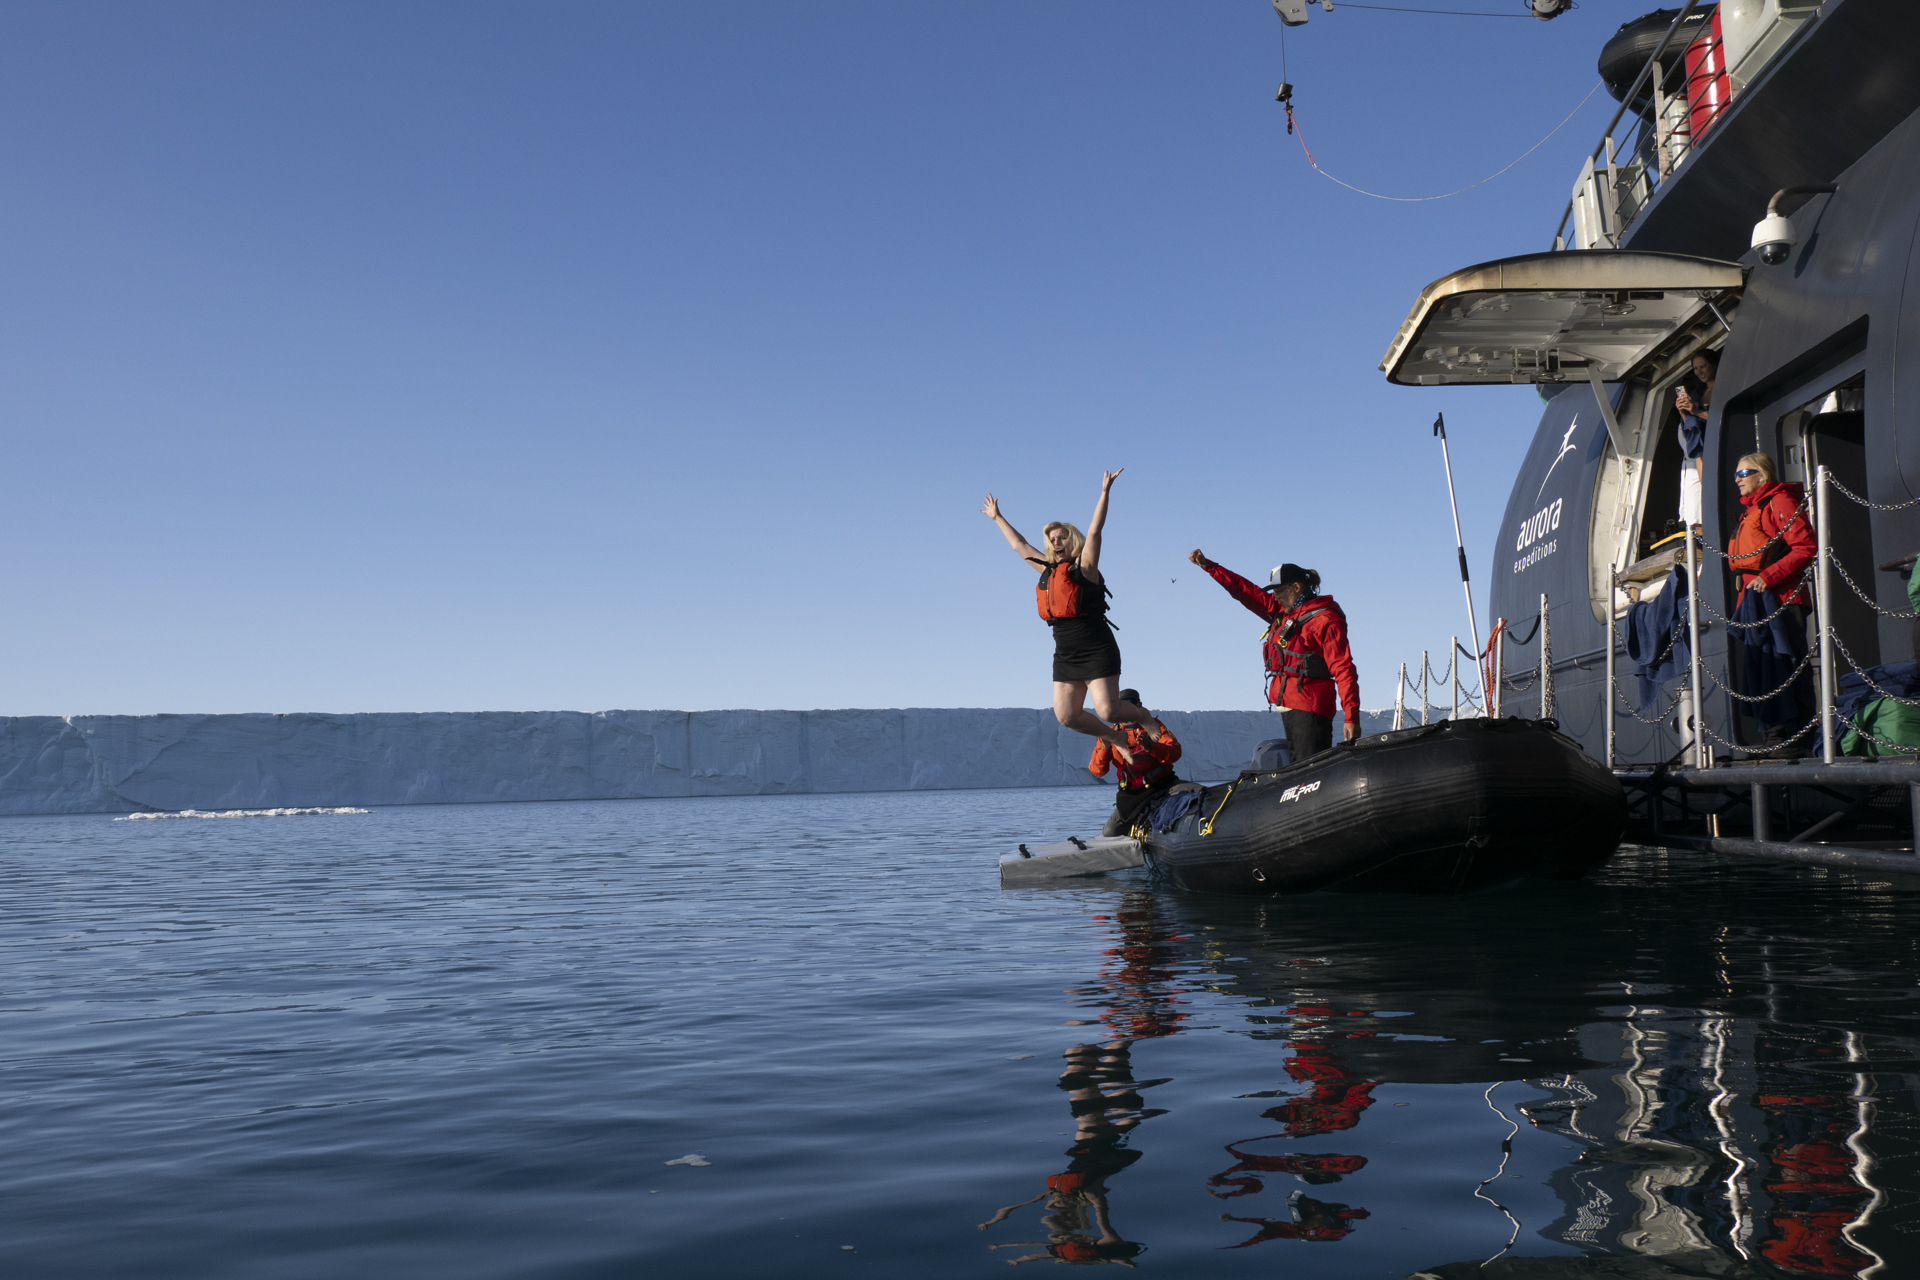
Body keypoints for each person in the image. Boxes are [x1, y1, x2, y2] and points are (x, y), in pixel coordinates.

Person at [983, 472, 1162, 752]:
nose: (1056, 542)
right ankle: (1115, 738)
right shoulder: (1048, 569)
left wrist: (1105, 493)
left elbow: (1095, 532)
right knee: (1067, 716)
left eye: (1062, 537)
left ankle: (1143, 716)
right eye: (1052, 538)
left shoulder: (1085, 568)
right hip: (1066, 652)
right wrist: (997, 518)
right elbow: (1020, 546)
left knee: (1109, 711)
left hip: (1095, 646)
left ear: (1073, 541)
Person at [1186, 552, 1360, 761]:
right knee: (1299, 770)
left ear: (1296, 587)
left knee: (1310, 770)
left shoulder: (1324, 620)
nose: (1275, 597)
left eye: (1279, 591)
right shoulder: (1283, 612)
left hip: (1311, 706)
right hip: (1289, 704)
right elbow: (1245, 591)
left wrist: (1351, 717)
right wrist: (1210, 566)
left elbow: (1343, 668)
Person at [1727, 451, 1817, 755]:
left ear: (1762, 475)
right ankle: (1774, 737)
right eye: (1736, 474)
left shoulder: (1779, 502)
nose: (1737, 480)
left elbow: (1805, 547)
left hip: (1781, 599)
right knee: (1762, 668)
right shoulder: (1751, 510)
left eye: (1743, 473)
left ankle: (1799, 737)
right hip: (1753, 601)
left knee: (1787, 666)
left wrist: (1769, 576)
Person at [1088, 689, 1182, 837]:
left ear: (1139, 705)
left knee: (1197, 794)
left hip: (1163, 787)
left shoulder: (1154, 727)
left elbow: (1175, 753)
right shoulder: (1109, 734)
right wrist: (1105, 748)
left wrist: (1151, 747)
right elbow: (1097, 771)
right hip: (1131, 795)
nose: (1127, 710)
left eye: (1131, 704)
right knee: (1110, 832)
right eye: (1122, 705)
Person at [1673, 349, 1719, 532]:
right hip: (1701, 451)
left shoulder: (1724, 388)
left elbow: (1722, 419)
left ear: (1714, 365)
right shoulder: (1697, 393)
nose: (1699, 371)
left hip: (1718, 445)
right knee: (1704, 496)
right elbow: (1691, 428)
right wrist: (1684, 412)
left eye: (1703, 366)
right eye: (1695, 368)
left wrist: (1696, 411)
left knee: (1716, 492)